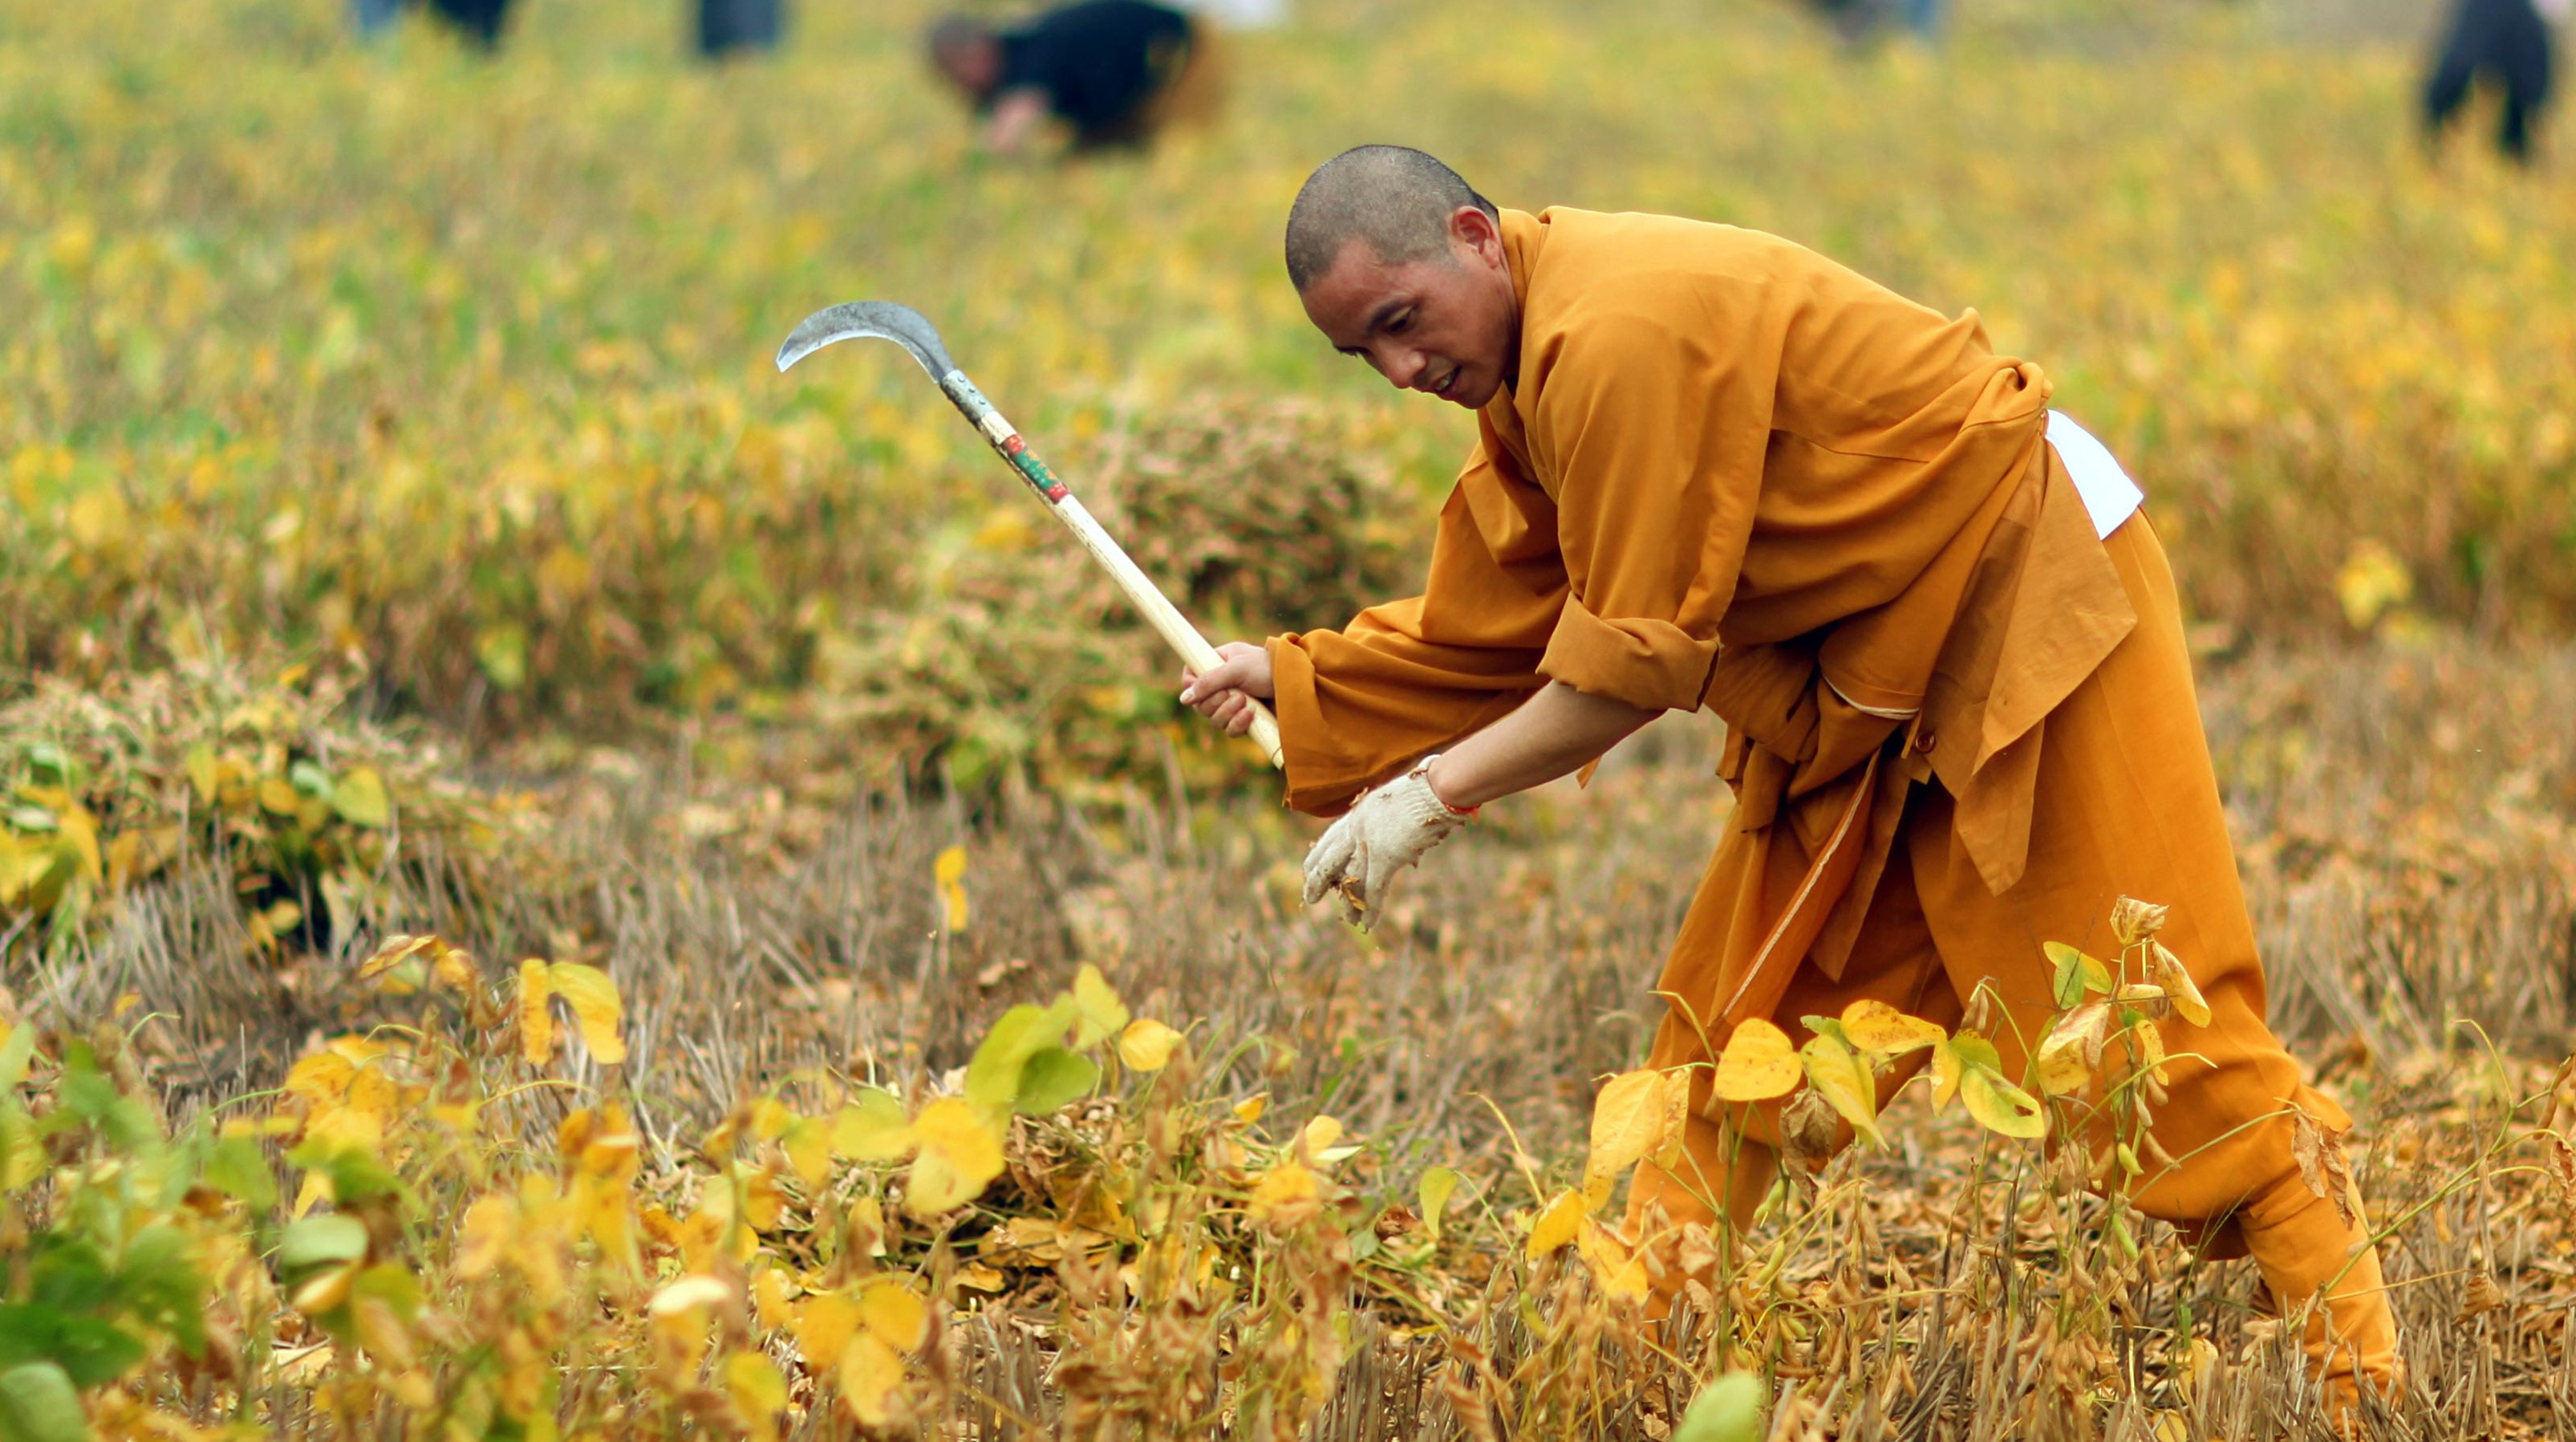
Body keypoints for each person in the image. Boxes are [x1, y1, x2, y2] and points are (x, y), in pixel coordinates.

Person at [1178, 146, 2399, 1411]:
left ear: (1474, 238)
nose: (1397, 371)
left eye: (1399, 323)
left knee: (2148, 1039)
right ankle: (1599, 1378)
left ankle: (2365, 1387)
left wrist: (1429, 796)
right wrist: (1291, 673)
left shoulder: (1612, 334)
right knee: (1732, 1035)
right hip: (1865, 674)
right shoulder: (1525, 372)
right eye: (1358, 354)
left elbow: (1621, 670)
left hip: (2028, 591)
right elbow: (1503, 614)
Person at [924, 2, 1219, 156]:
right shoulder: (1020, 50)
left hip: (1187, 52)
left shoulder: (1030, 58)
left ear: (976, 54)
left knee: (1186, 145)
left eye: (955, 73)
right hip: (1142, 81)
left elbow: (1012, 131)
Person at [2424, 0, 2562, 164]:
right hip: (2490, 9)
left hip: (2527, 14)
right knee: (2456, 72)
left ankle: (2516, 160)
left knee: (2525, 97)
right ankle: (2433, 147)